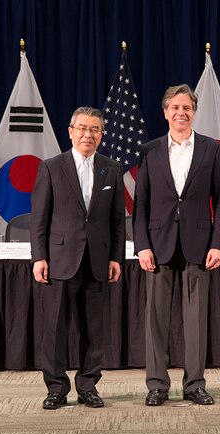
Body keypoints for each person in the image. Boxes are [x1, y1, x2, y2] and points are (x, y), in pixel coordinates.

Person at [133, 84, 220, 406]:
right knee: (156, 321)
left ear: (193, 112)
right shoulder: (149, 151)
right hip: (157, 246)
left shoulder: (212, 150)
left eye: (186, 108)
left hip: (200, 245)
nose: (181, 113)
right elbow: (141, 204)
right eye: (175, 107)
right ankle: (157, 384)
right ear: (165, 112)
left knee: (196, 321)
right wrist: (142, 246)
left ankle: (195, 384)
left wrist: (219, 244)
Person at [31, 107, 126, 409]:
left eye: (95, 129)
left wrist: (116, 258)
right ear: (70, 131)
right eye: (82, 128)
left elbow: (117, 221)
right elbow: (40, 218)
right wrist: (39, 257)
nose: (88, 134)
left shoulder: (111, 168)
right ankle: (56, 388)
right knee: (56, 328)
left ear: (101, 134)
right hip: (59, 259)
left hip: (97, 260)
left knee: (94, 329)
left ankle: (88, 386)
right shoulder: (51, 167)